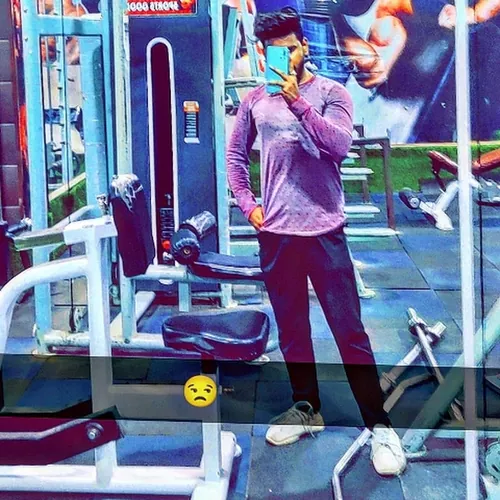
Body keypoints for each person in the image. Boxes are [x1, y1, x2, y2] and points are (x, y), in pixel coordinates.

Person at [226, 6, 406, 476]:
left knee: (350, 333)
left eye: (291, 49)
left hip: (324, 232)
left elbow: (338, 146)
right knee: (292, 331)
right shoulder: (254, 101)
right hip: (277, 236)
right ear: (263, 54)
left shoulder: (331, 93)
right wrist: (249, 206)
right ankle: (307, 408)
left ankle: (380, 425)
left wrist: (296, 102)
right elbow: (235, 156)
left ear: (304, 46)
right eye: (275, 52)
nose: (285, 58)